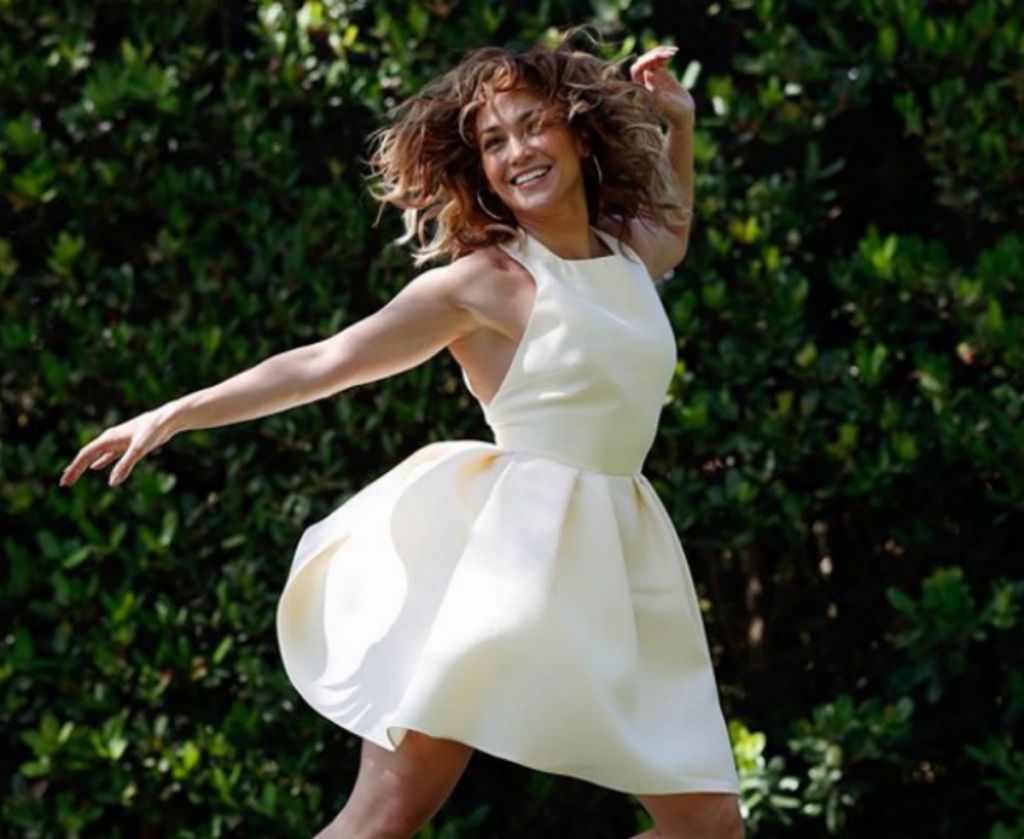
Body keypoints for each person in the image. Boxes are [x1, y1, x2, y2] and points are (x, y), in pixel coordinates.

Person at [59, 28, 745, 839]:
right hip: (506, 562)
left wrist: (678, 126)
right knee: (384, 816)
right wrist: (176, 412)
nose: (517, 152)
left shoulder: (625, 251)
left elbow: (673, 231)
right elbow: (325, 362)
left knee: (708, 824)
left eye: (533, 125)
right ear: (479, 168)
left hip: (623, 562)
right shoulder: (483, 283)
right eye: (494, 141)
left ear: (580, 133)